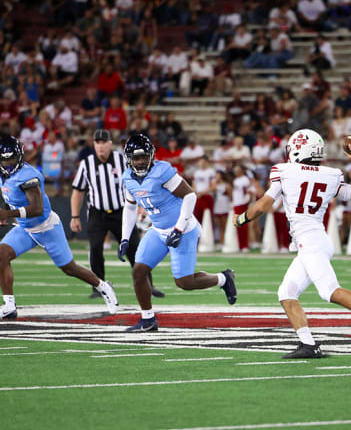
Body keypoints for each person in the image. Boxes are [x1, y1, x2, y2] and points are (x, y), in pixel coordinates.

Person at [232, 129, 351, 358]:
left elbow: (262, 206)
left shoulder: (286, 171)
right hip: (315, 240)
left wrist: (240, 219)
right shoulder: (329, 174)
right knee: (286, 292)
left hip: (311, 243)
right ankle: (309, 345)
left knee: (329, 291)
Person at [119, 133, 237, 332]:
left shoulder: (162, 171)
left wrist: (178, 228)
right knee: (138, 271)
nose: (140, 162)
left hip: (183, 228)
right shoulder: (127, 178)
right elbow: (130, 208)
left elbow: (190, 196)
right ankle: (148, 319)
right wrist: (124, 238)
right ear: (129, 159)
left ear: (151, 156)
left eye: (143, 157)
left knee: (184, 282)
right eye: (136, 158)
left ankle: (224, 278)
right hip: (157, 229)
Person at [0, 134, 118, 319]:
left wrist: (8, 214)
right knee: (1, 255)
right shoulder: (4, 174)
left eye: (12, 160)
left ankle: (102, 286)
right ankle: (9, 305)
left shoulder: (28, 175)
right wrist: (7, 211)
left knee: (69, 268)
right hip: (24, 228)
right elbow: (10, 196)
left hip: (46, 226)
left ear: (20, 156)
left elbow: (37, 209)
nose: (8, 164)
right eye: (4, 160)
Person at [71, 129, 164, 299]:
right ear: (94, 145)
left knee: (135, 249)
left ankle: (148, 285)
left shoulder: (122, 160)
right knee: (95, 249)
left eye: (103, 143)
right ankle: (99, 287)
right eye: (97, 143)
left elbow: (140, 180)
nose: (100, 146)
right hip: (97, 212)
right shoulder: (87, 163)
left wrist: (142, 206)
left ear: (109, 144)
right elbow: (78, 191)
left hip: (121, 212)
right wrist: (74, 216)